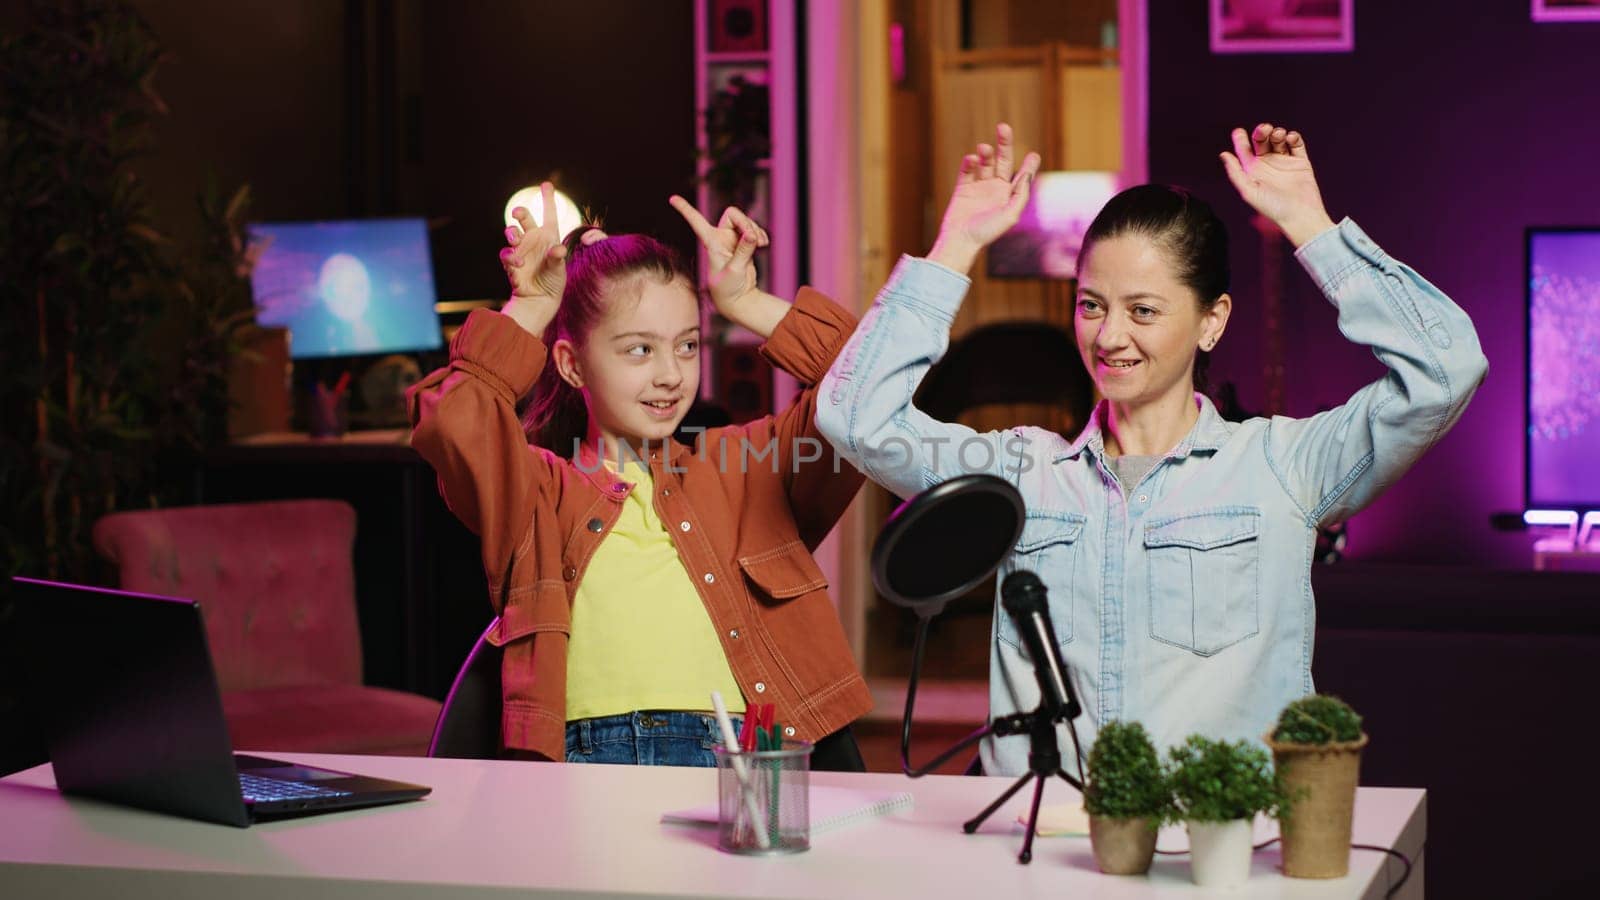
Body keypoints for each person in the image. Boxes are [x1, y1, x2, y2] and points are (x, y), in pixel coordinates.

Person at [817, 123, 1488, 775]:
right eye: (1089, 306)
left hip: (1212, 855)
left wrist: (1311, 227)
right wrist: (955, 245)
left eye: (1142, 311)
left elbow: (1445, 370)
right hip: (1041, 850)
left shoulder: (1283, 467)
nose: (1109, 337)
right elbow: (854, 416)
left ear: (1211, 321)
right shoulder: (1024, 473)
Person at [409, 184, 872, 768]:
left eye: (686, 346)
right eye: (638, 351)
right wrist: (528, 310)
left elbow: (869, 392)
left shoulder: (748, 468)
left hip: (737, 759)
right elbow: (454, 419)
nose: (670, 375)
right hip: (588, 764)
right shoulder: (537, 493)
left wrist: (747, 301)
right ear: (573, 365)